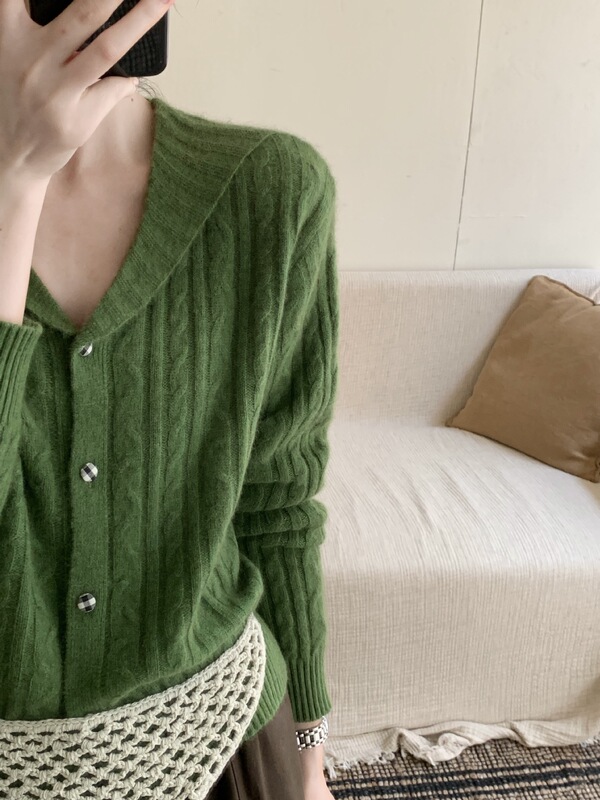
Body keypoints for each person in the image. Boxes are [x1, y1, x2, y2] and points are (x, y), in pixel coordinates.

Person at [0, 0, 339, 798]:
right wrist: (14, 182)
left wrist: (310, 755)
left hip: (228, 740)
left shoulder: (273, 191)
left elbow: (279, 502)